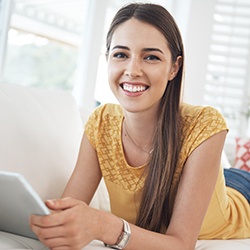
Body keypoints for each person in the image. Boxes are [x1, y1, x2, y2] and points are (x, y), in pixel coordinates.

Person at [30, 3, 250, 250]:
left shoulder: (204, 124)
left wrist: (104, 225)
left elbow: (181, 244)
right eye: (121, 54)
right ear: (108, 59)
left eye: (151, 57)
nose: (132, 70)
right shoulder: (101, 123)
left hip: (240, 192)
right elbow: (67, 209)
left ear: (174, 68)